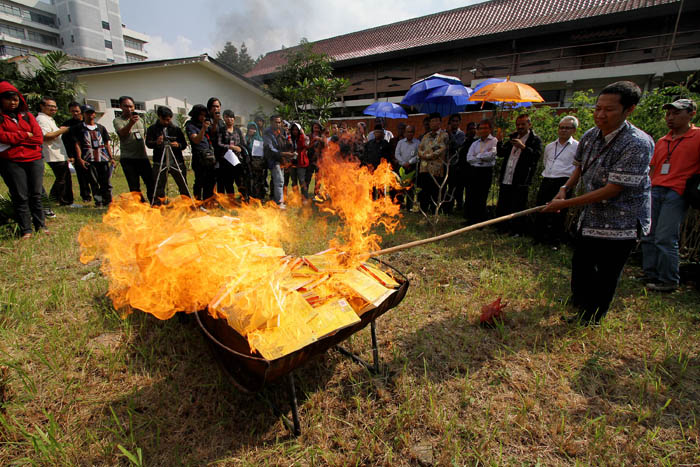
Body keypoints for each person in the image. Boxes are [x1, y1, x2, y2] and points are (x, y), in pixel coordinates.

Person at [543, 81, 654, 325]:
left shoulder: (637, 143)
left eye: (609, 109)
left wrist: (568, 203)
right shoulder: (590, 135)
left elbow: (613, 190)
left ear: (629, 110)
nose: (600, 114)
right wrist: (564, 189)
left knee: (606, 272)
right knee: (581, 264)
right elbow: (579, 167)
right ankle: (581, 302)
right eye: (598, 108)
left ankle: (591, 317)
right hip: (592, 216)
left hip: (622, 220)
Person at [642, 99, 700, 292]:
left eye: (676, 113)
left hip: (678, 192)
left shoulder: (698, 136)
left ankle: (668, 280)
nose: (670, 118)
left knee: (665, 237)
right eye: (668, 114)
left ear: (691, 114)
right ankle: (650, 274)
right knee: (648, 235)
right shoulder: (662, 141)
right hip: (656, 188)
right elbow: (653, 167)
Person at [0, 81, 47, 238]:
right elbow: (1, 137)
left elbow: (38, 138)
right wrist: (25, 135)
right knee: (20, 196)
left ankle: (41, 225)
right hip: (11, 162)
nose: (13, 102)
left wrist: (14, 139)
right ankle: (26, 230)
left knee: (36, 194)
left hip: (34, 159)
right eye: (9, 99)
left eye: (16, 99)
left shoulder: (27, 116)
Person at [534, 116, 579, 247]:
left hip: (564, 182)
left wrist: (567, 186)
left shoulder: (577, 147)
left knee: (559, 213)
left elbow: (578, 168)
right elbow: (545, 162)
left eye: (567, 128)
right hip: (548, 178)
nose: (563, 130)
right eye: (561, 127)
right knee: (541, 208)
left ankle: (554, 241)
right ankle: (538, 237)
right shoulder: (549, 146)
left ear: (574, 130)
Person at [496, 114, 543, 234]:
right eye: (518, 124)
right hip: (507, 176)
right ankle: (502, 227)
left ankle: (516, 230)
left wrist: (523, 147)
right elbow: (501, 153)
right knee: (504, 204)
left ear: (529, 124)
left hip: (521, 179)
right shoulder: (513, 137)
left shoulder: (535, 140)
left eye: (523, 124)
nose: (520, 127)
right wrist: (499, 141)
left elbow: (536, 156)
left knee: (518, 205)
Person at [113, 96, 153, 202]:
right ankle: (140, 205)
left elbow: (145, 136)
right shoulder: (118, 120)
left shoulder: (140, 120)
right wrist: (131, 123)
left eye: (131, 106)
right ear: (121, 106)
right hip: (128, 158)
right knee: (134, 185)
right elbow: (122, 133)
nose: (129, 109)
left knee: (150, 181)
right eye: (126, 106)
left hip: (142, 157)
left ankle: (154, 202)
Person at [146, 105, 189, 204]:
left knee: (183, 184)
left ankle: (187, 203)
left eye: (169, 119)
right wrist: (156, 142)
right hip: (160, 161)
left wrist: (178, 145)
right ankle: (159, 204)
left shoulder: (176, 129)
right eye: (165, 119)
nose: (167, 122)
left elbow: (184, 144)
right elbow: (148, 144)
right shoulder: (152, 129)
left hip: (176, 161)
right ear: (159, 117)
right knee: (159, 184)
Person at [73, 105, 114, 207]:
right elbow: (77, 144)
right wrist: (80, 158)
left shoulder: (100, 128)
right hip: (89, 159)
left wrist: (111, 158)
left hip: (103, 159)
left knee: (106, 181)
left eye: (92, 112)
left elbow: (106, 144)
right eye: (87, 113)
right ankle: (98, 201)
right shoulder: (79, 128)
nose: (90, 115)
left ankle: (108, 200)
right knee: (94, 182)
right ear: (83, 114)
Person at [36, 96, 74, 207]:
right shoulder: (41, 119)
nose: (53, 109)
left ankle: (62, 200)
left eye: (55, 107)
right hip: (52, 154)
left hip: (58, 154)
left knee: (64, 178)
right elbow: (46, 136)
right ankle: (54, 200)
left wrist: (60, 130)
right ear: (42, 106)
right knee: (62, 178)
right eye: (50, 106)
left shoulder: (48, 119)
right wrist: (63, 130)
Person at [464, 119, 498, 224]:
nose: (483, 130)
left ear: (490, 129)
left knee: (482, 195)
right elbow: (469, 158)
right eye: (481, 128)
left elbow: (491, 155)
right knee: (472, 195)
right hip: (475, 171)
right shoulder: (475, 143)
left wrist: (477, 156)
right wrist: (482, 157)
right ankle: (471, 219)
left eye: (486, 128)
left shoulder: (494, 141)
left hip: (486, 171)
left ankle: (480, 220)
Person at [417, 112, 449, 214]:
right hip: (424, 169)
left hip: (437, 169)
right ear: (429, 123)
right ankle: (423, 210)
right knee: (424, 191)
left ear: (440, 122)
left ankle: (435, 211)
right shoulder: (425, 136)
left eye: (436, 121)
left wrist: (426, 155)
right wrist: (428, 154)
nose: (434, 123)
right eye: (432, 121)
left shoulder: (444, 135)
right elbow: (419, 150)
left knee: (436, 190)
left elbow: (440, 150)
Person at [61, 101, 91, 202]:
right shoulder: (67, 125)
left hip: (90, 152)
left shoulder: (87, 123)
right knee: (81, 176)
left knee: (93, 175)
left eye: (77, 111)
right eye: (73, 111)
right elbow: (65, 141)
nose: (75, 113)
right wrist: (70, 155)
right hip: (75, 154)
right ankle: (86, 196)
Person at [263, 115, 295, 208]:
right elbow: (270, 149)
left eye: (279, 122)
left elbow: (286, 144)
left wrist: (289, 146)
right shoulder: (267, 133)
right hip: (273, 159)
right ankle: (279, 202)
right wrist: (285, 154)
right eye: (276, 122)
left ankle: (274, 199)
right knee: (279, 180)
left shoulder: (282, 131)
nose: (278, 124)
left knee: (278, 180)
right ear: (271, 122)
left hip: (282, 159)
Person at [215, 109, 247, 201]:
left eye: (232, 117)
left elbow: (243, 143)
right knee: (228, 182)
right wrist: (230, 147)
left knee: (240, 180)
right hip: (226, 160)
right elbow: (219, 144)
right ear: (224, 118)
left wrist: (240, 148)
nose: (230, 119)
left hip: (238, 160)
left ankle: (243, 198)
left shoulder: (238, 130)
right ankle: (231, 200)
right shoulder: (221, 130)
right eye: (227, 117)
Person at [186, 104, 215, 201]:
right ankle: (198, 202)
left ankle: (208, 201)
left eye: (204, 115)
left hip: (209, 156)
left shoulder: (207, 123)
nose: (203, 117)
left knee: (210, 180)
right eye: (200, 115)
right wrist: (203, 129)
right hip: (199, 157)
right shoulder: (190, 125)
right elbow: (196, 140)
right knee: (200, 181)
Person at [394, 124, 419, 210]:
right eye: (408, 132)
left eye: (411, 132)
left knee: (410, 187)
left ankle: (409, 206)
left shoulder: (417, 143)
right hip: (401, 167)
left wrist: (410, 162)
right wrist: (403, 163)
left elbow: (418, 155)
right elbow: (397, 154)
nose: (409, 134)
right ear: (405, 133)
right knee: (400, 186)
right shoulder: (400, 143)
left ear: (414, 133)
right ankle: (400, 204)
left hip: (411, 168)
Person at [445, 114, 465, 214]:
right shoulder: (444, 133)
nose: (455, 123)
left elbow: (457, 145)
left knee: (453, 187)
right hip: (445, 164)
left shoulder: (461, 134)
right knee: (444, 186)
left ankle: (453, 207)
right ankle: (445, 207)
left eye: (457, 121)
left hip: (455, 165)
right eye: (453, 121)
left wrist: (450, 134)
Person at [455, 122, 477, 212]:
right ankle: (459, 206)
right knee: (458, 190)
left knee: (469, 191)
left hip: (471, 170)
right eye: (470, 129)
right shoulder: (464, 142)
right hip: (461, 170)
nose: (472, 130)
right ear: (467, 130)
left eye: (474, 128)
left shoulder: (477, 142)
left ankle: (468, 208)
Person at [284, 122, 309, 198]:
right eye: (293, 130)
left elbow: (306, 145)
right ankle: (296, 197)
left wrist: (303, 133)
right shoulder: (289, 138)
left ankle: (304, 197)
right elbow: (287, 147)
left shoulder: (303, 137)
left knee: (301, 180)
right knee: (294, 181)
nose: (295, 131)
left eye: (296, 130)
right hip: (292, 161)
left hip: (301, 161)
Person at [245, 121, 266, 201]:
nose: (252, 130)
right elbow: (244, 147)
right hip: (249, 163)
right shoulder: (245, 138)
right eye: (250, 128)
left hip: (258, 163)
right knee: (249, 180)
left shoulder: (259, 138)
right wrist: (249, 139)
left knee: (259, 180)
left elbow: (262, 150)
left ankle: (259, 196)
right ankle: (249, 196)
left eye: (254, 128)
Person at [305, 121, 325, 197]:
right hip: (310, 160)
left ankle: (316, 194)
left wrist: (319, 139)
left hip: (319, 161)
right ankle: (305, 194)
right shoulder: (309, 136)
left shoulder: (322, 136)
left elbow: (325, 144)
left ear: (320, 128)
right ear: (312, 128)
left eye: (317, 128)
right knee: (307, 178)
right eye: (314, 127)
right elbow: (306, 145)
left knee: (318, 179)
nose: (316, 129)